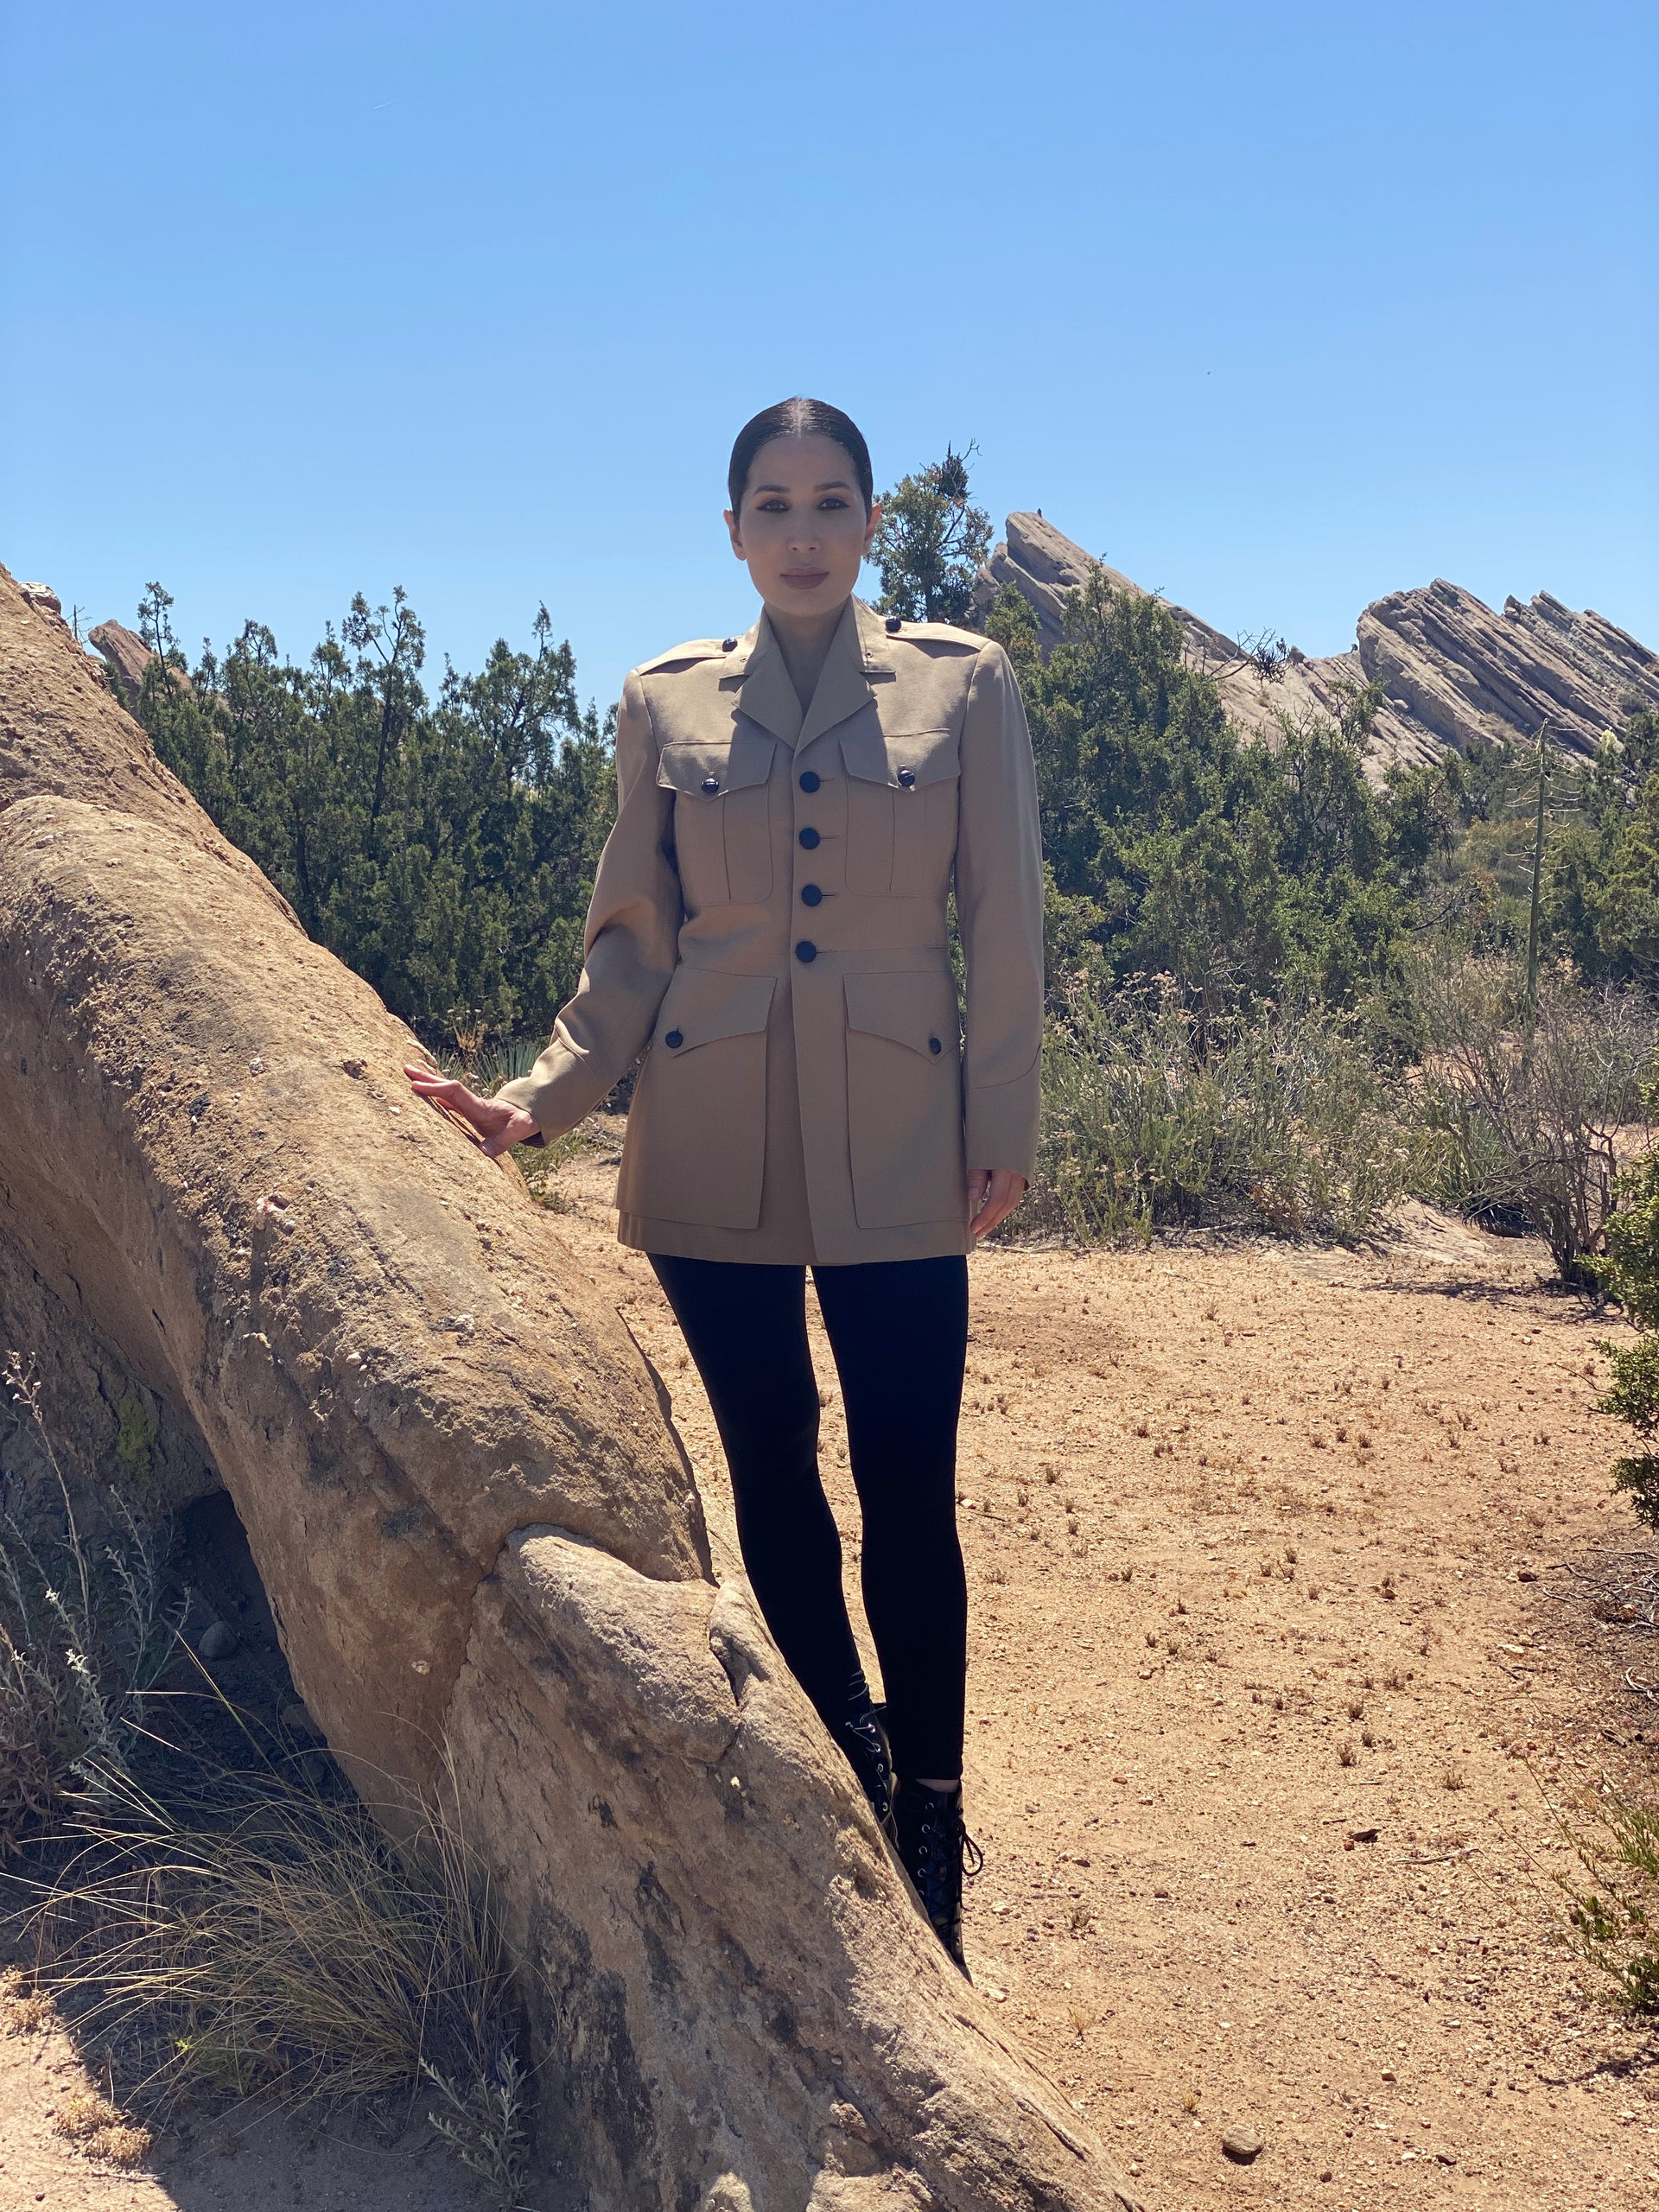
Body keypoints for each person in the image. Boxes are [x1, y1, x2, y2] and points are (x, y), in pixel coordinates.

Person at [407, 397, 1043, 1968]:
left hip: (903, 1132)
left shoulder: (965, 685)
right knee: (771, 1471)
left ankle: (934, 1814)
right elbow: (631, 948)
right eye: (774, 504)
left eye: (832, 503)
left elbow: (1005, 921)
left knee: (909, 1489)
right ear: (735, 530)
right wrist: (537, 1102)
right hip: (711, 1131)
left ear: (873, 522)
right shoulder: (665, 702)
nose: (804, 533)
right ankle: (849, 1770)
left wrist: (1002, 1117)